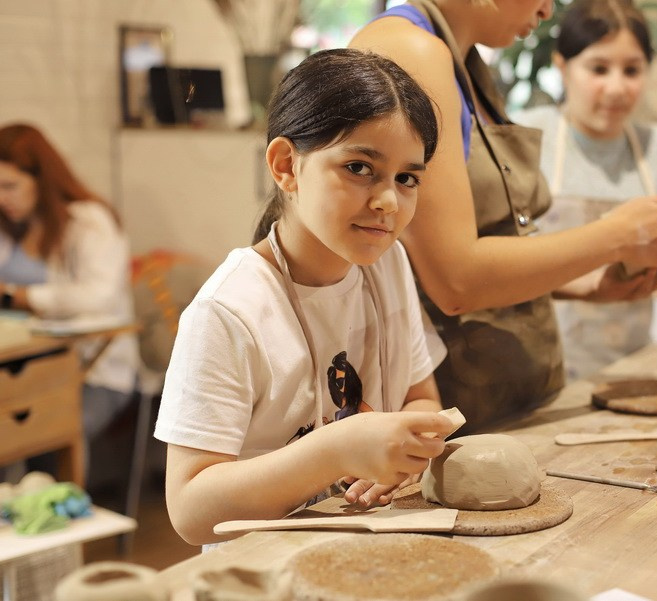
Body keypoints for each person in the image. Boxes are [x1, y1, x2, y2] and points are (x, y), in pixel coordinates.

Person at [348, 0, 657, 432]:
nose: (548, 10)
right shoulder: (412, 50)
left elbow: (482, 242)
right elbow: (455, 280)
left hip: (501, 396)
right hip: (446, 399)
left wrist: (586, 283)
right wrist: (616, 235)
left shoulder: (461, 62)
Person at [154, 49, 454, 547]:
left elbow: (420, 399)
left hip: (368, 551)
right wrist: (334, 451)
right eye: (359, 167)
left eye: (407, 178)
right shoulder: (229, 311)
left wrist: (406, 454)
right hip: (258, 575)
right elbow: (189, 510)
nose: (387, 202)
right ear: (286, 165)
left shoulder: (389, 263)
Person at [515, 0, 657, 380]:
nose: (617, 87)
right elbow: (501, 263)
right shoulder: (527, 135)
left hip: (627, 366)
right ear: (562, 66)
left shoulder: (656, 146)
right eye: (599, 68)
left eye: (632, 70)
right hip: (535, 369)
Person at [0, 124, 140, 449]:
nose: (3, 198)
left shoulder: (88, 222)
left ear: (42, 179)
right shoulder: (12, 224)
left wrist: (19, 296)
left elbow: (99, 298)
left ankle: (57, 499)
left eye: (10, 186)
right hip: (23, 363)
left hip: (92, 371)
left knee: (43, 429)